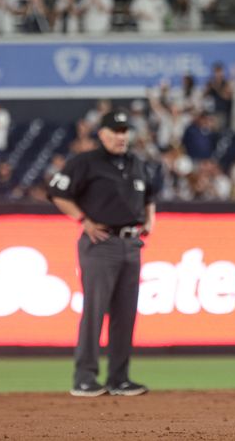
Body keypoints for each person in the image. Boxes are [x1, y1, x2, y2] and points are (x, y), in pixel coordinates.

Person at [47, 110, 156, 398]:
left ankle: (119, 378)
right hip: (100, 243)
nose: (121, 136)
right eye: (115, 131)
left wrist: (150, 219)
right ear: (102, 134)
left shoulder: (137, 163)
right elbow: (57, 192)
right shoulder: (86, 162)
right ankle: (84, 378)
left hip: (131, 244)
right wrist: (83, 220)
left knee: (126, 314)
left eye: (124, 131)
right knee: (95, 312)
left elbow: (150, 196)